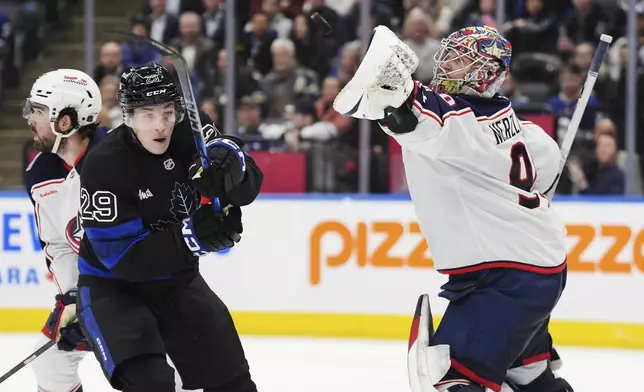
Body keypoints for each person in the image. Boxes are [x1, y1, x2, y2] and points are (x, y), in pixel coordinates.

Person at [333, 26, 573, 392]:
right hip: (538, 269)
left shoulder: (457, 120)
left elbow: (410, 113)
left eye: (461, 60)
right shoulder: (523, 128)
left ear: (488, 74)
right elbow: (549, 165)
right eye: (449, 55)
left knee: (453, 378)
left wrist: (393, 86)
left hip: (505, 277)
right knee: (528, 378)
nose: (447, 65)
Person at [76, 62, 263, 392]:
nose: (161, 125)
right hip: (115, 289)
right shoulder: (105, 164)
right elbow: (121, 258)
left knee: (233, 382)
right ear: (128, 116)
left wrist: (234, 165)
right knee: (154, 385)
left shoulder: (192, 131)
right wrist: (191, 237)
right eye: (148, 115)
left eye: (167, 112)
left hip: (178, 280)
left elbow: (244, 188)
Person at [23, 68, 199, 392]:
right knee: (49, 360)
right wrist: (74, 297)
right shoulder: (39, 172)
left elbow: (157, 233)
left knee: (161, 370)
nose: (30, 118)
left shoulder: (124, 154)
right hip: (94, 289)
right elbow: (59, 245)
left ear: (65, 120)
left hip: (149, 286)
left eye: (39, 111)